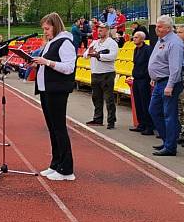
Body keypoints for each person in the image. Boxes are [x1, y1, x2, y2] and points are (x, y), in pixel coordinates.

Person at [31, 12, 77, 181]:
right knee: (52, 129)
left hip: (57, 90)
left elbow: (69, 68)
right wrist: (37, 63)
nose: (45, 32)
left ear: (56, 26)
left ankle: (66, 169)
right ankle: (56, 163)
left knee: (59, 128)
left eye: (47, 28)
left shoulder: (65, 42)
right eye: (44, 29)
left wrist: (47, 62)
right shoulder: (51, 42)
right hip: (46, 90)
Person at [148, 15, 184, 156]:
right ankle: (166, 141)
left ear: (169, 28)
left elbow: (175, 67)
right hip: (159, 82)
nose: (157, 28)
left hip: (169, 82)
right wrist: (154, 77)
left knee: (169, 114)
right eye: (157, 26)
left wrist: (170, 85)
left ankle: (170, 147)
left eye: (160, 26)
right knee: (154, 110)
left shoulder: (174, 43)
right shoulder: (161, 40)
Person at [84, 22, 119, 129]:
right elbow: (85, 55)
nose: (99, 31)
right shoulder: (95, 42)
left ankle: (111, 121)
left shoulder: (112, 43)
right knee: (96, 98)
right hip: (95, 73)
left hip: (107, 73)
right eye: (98, 29)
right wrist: (89, 53)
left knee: (109, 99)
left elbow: (113, 56)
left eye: (101, 29)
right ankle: (98, 119)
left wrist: (99, 55)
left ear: (107, 30)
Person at [129, 31, 154, 135]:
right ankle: (141, 124)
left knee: (145, 102)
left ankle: (149, 126)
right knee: (138, 102)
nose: (134, 39)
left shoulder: (148, 49)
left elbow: (151, 64)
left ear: (142, 39)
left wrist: (148, 76)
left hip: (144, 79)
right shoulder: (136, 50)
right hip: (136, 79)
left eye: (136, 37)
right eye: (134, 37)